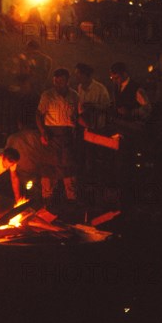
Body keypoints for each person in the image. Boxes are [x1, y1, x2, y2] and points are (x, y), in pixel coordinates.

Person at [36, 68, 79, 211]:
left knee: (69, 170)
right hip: (51, 136)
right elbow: (39, 115)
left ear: (67, 81)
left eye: (61, 81)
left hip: (68, 137)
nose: (58, 84)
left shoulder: (74, 96)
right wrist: (43, 133)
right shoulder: (47, 95)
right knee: (49, 170)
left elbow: (79, 116)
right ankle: (47, 202)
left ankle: (71, 202)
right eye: (55, 81)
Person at [75, 62, 110, 130]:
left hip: (97, 127)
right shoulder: (80, 87)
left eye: (78, 75)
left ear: (86, 75)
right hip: (83, 125)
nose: (76, 77)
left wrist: (93, 106)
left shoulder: (100, 89)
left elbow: (108, 108)